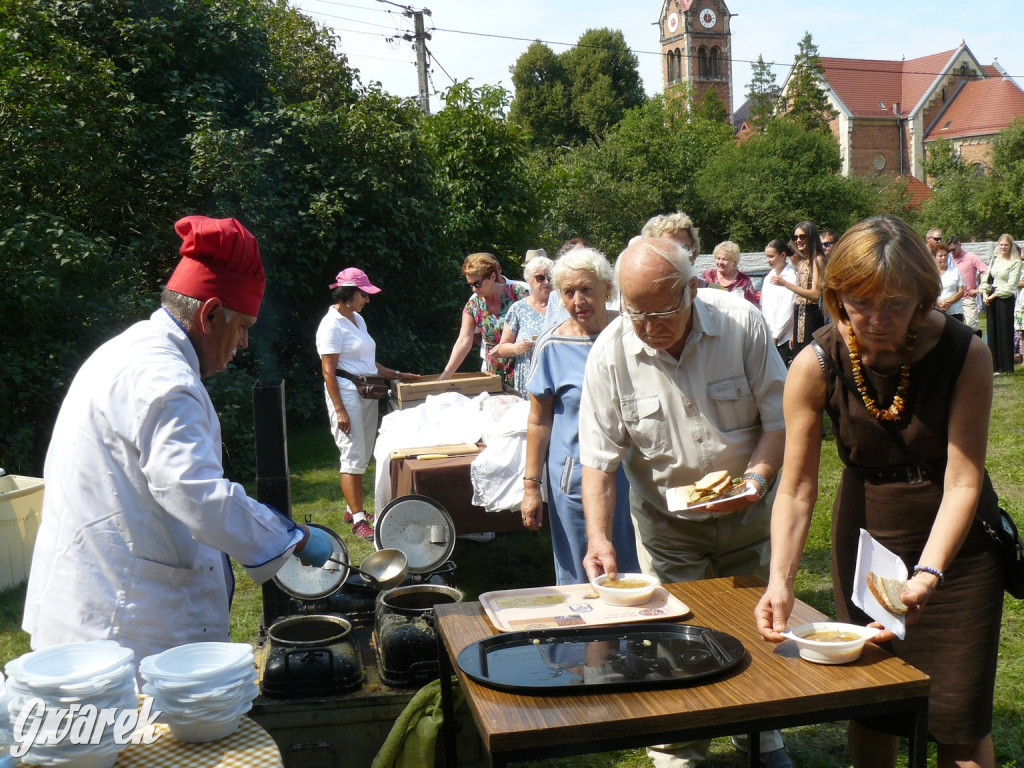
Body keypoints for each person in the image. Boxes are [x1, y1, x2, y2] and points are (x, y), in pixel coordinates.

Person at [23, 215, 335, 665]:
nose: (244, 342)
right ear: (209, 314)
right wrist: (294, 536)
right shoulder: (166, 381)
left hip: (94, 606)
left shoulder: (128, 351)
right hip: (122, 631)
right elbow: (197, 495)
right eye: (243, 325)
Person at [755, 215, 1003, 768]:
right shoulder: (815, 363)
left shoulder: (967, 353)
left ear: (922, 295)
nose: (877, 320)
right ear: (837, 294)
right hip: (869, 543)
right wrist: (781, 580)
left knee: (958, 718)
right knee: (873, 702)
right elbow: (796, 488)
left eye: (896, 304)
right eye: (860, 303)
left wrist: (930, 572)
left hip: (958, 550)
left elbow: (964, 479)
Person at [579, 237, 791, 768]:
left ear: (692, 288)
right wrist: (600, 539)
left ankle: (761, 743)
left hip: (750, 515)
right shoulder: (610, 352)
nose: (648, 327)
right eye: (635, 313)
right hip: (667, 525)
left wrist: (757, 483)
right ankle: (680, 754)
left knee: (757, 630)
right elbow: (599, 460)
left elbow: (780, 423)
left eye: (662, 312)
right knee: (675, 640)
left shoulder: (742, 324)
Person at [520, 247, 640, 585]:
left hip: (636, 477)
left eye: (586, 289)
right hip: (573, 479)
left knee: (638, 571)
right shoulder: (552, 346)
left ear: (607, 288)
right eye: (568, 292)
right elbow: (538, 420)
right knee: (582, 575)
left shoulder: (633, 335)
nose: (578, 300)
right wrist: (531, 487)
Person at [316, 268, 419, 540]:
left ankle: (354, 509)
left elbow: (369, 363)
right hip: (346, 395)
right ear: (349, 294)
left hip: (368, 392)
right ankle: (359, 519)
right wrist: (339, 410)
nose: (368, 299)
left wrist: (399, 375)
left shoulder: (357, 320)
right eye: (364, 294)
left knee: (362, 455)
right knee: (351, 454)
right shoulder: (330, 325)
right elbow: (329, 371)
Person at [439, 253, 529, 387]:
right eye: (470, 285)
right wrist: (444, 376)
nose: (474, 289)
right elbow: (464, 341)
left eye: (478, 283)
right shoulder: (473, 305)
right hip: (493, 374)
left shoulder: (519, 294)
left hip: (524, 367)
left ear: (492, 277)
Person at [490, 256, 553, 396]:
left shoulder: (562, 306)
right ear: (529, 280)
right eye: (540, 278)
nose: (547, 282)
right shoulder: (518, 308)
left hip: (556, 374)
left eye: (550, 277)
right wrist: (517, 348)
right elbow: (502, 348)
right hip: (528, 376)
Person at [773, 220, 826, 357]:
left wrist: (785, 284)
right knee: (798, 357)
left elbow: (815, 295)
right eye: (795, 237)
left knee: (810, 358)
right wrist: (794, 332)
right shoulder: (802, 262)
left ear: (811, 237)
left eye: (802, 236)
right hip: (800, 315)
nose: (798, 240)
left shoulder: (817, 260)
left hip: (811, 314)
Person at [980, 233, 1022, 374]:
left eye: (1006, 245)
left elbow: (1011, 286)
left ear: (1011, 246)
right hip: (991, 296)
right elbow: (987, 277)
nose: (1003, 247)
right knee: (992, 331)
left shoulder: (1015, 262)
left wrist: (994, 295)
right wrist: (985, 293)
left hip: (1004, 298)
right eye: (1001, 244)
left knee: (1004, 331)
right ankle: (994, 366)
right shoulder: (995, 259)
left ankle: (1006, 367)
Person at [641, 211, 706, 287]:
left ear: (694, 253)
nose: (677, 255)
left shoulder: (716, 295)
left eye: (683, 248)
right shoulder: (638, 293)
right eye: (666, 249)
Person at [760, 239, 798, 365]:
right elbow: (763, 307)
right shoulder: (768, 278)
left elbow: (789, 309)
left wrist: (776, 335)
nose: (768, 260)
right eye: (767, 256)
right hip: (768, 336)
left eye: (771, 256)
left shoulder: (792, 277)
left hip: (784, 338)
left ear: (783, 255)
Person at [947, 235, 988, 336]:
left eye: (953, 249)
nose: (951, 252)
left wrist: (979, 289)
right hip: (952, 299)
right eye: (949, 250)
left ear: (959, 244)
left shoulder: (970, 257)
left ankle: (977, 349)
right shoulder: (948, 259)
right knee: (953, 328)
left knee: (972, 327)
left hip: (967, 298)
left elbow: (986, 270)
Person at [700, 240, 758, 304]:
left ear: (734, 262)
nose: (720, 262)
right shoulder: (708, 275)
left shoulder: (743, 281)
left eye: (725, 259)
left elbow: (753, 305)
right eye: (718, 258)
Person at [932, 241, 965, 323]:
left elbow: (961, 292)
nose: (943, 258)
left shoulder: (955, 271)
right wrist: (938, 303)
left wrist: (947, 303)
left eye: (945, 255)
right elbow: (927, 293)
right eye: (940, 256)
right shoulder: (930, 273)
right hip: (936, 311)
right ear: (934, 257)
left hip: (955, 311)